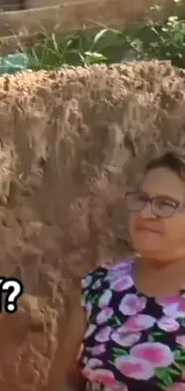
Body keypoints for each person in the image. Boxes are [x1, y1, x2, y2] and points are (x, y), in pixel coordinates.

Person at [47, 149, 185, 391]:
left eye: (164, 204)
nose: (145, 213)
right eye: (142, 199)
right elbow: (62, 378)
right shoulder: (98, 286)